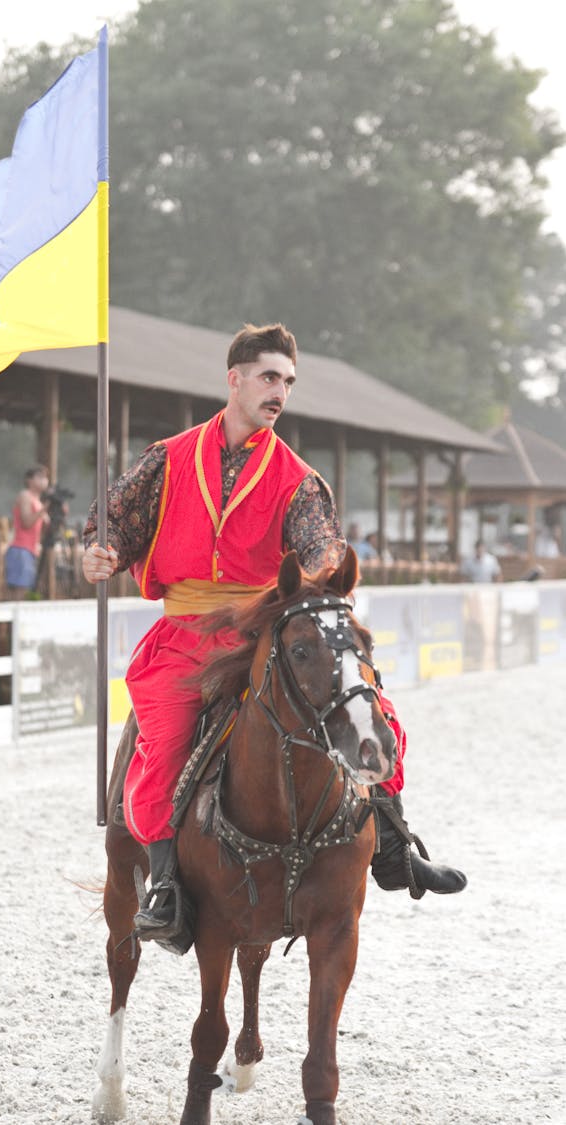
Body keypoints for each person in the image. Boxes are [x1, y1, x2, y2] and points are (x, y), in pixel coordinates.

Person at [83, 323, 466, 949]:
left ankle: (393, 843)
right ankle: (164, 885)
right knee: (165, 743)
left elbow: (319, 542)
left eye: (287, 381)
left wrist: (323, 571)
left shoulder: (298, 478)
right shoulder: (169, 457)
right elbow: (113, 522)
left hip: (261, 635)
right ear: (234, 379)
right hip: (182, 637)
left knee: (368, 707)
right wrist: (99, 553)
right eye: (268, 377)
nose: (279, 391)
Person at [5, 465, 50, 598]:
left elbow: (46, 529)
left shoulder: (39, 502)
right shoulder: (25, 495)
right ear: (29, 480)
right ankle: (15, 619)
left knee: (25, 591)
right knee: (19, 591)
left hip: (31, 550)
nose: (44, 481)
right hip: (20, 548)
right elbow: (26, 523)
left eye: (46, 478)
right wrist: (44, 510)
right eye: (40, 477)